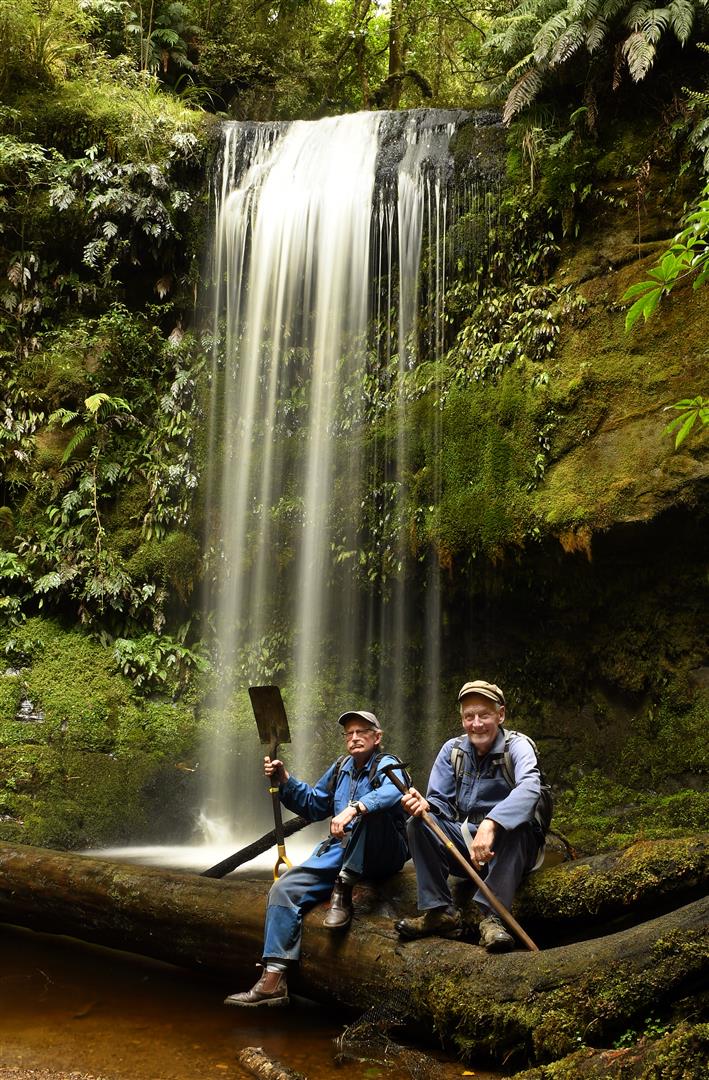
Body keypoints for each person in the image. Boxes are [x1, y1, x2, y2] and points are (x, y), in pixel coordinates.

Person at [224, 709, 408, 1007]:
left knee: (369, 814)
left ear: (377, 737)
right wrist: (285, 779)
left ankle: (343, 890)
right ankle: (273, 981)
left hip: (383, 851)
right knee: (284, 889)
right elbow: (313, 805)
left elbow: (395, 792)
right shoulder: (341, 768)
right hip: (342, 850)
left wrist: (354, 808)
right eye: (349, 733)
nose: (355, 737)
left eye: (362, 731)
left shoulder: (389, 765)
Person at [395, 680, 543, 952]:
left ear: (500, 715)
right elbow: (440, 804)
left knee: (519, 827)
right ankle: (440, 912)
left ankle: (492, 919)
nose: (476, 724)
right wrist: (424, 806)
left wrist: (492, 823)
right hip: (468, 846)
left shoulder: (518, 747)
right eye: (469, 716)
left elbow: (530, 786)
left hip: (514, 848)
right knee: (418, 823)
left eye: (484, 715)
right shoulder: (453, 751)